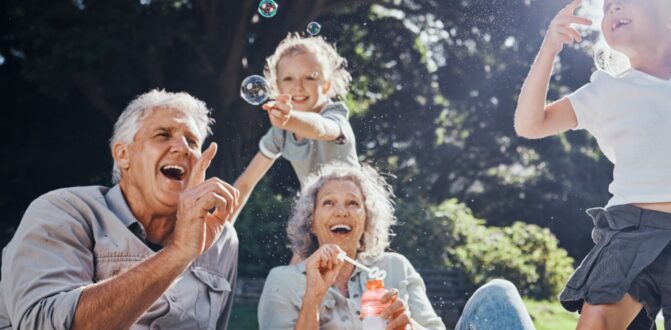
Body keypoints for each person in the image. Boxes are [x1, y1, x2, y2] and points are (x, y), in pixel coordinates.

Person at [515, 0, 671, 328]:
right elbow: (529, 124)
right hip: (631, 233)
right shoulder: (606, 89)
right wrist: (549, 48)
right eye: (609, 6)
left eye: (625, 2)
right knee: (597, 316)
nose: (613, 9)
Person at [0, 90, 240, 329]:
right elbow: (40, 324)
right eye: (163, 135)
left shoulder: (220, 238)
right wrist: (178, 254)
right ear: (123, 154)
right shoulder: (64, 211)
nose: (183, 148)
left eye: (192, 141)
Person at [257, 163, 535, 330]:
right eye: (328, 202)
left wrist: (408, 326)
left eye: (353, 203)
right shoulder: (283, 280)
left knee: (498, 293)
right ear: (312, 221)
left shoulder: (395, 267)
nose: (342, 211)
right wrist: (313, 297)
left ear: (366, 221)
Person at [232, 33, 359, 223]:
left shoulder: (334, 114)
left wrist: (289, 118)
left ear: (326, 86)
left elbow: (321, 128)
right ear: (276, 87)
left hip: (353, 211)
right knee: (302, 252)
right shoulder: (280, 131)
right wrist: (221, 226)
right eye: (288, 79)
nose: (298, 87)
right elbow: (246, 182)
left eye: (309, 78)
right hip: (317, 216)